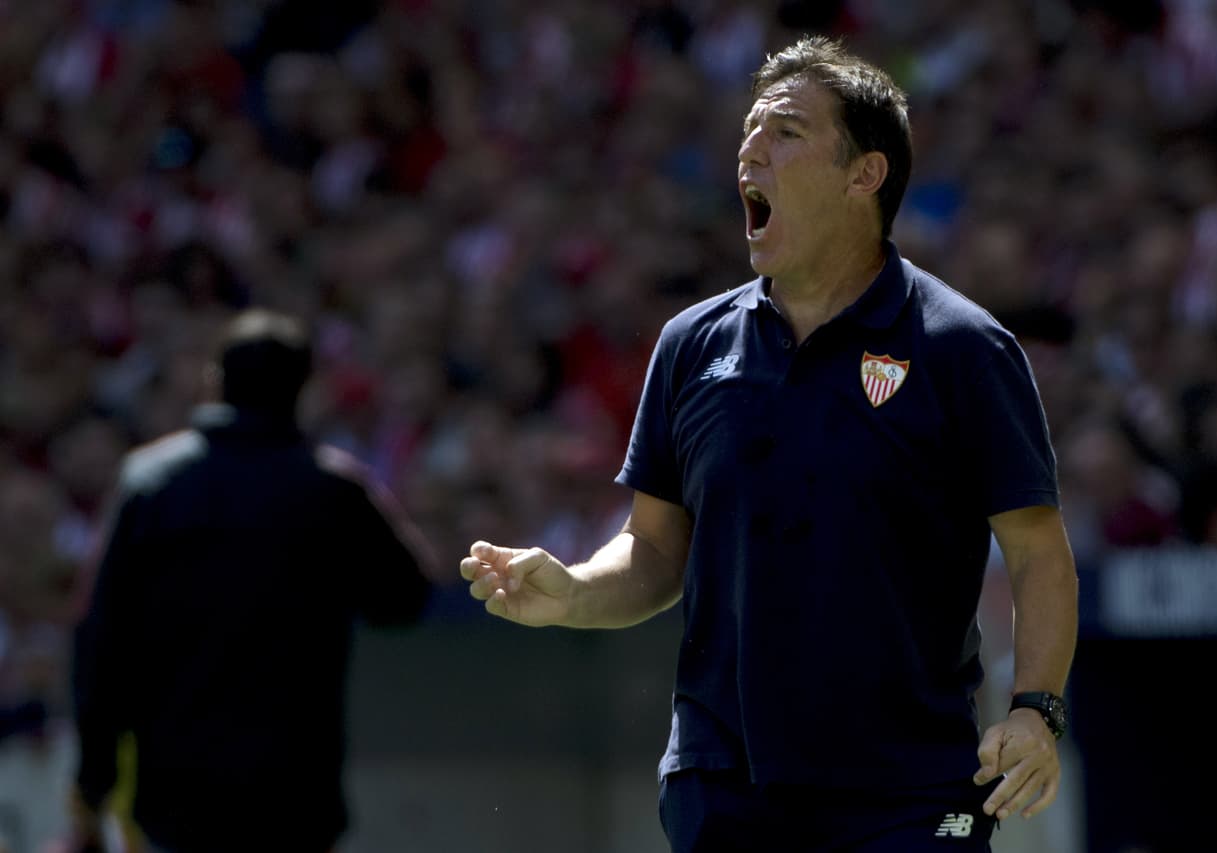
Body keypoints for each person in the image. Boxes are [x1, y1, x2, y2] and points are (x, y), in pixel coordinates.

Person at [462, 35, 1078, 852]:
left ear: (866, 174)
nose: (750, 148)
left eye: (785, 131)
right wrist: (572, 589)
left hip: (910, 788)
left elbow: (1038, 554)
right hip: (723, 784)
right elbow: (652, 550)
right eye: (749, 129)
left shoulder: (964, 347)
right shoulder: (690, 343)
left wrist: (1036, 711)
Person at [67, 308, 441, 853]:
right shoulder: (333, 488)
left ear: (215, 381)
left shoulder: (149, 485)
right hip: (295, 795)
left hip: (175, 793)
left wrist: (92, 783)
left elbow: (100, 643)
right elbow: (405, 599)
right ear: (303, 388)